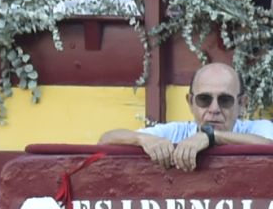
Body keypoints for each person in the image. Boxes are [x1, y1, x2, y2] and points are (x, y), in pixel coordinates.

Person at [99, 61, 273, 168]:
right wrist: (142, 139)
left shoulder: (258, 129)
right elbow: (105, 140)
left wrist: (211, 137)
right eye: (204, 99)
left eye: (225, 100)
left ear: (242, 104)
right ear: (190, 102)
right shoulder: (176, 132)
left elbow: (269, 145)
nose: (214, 108)